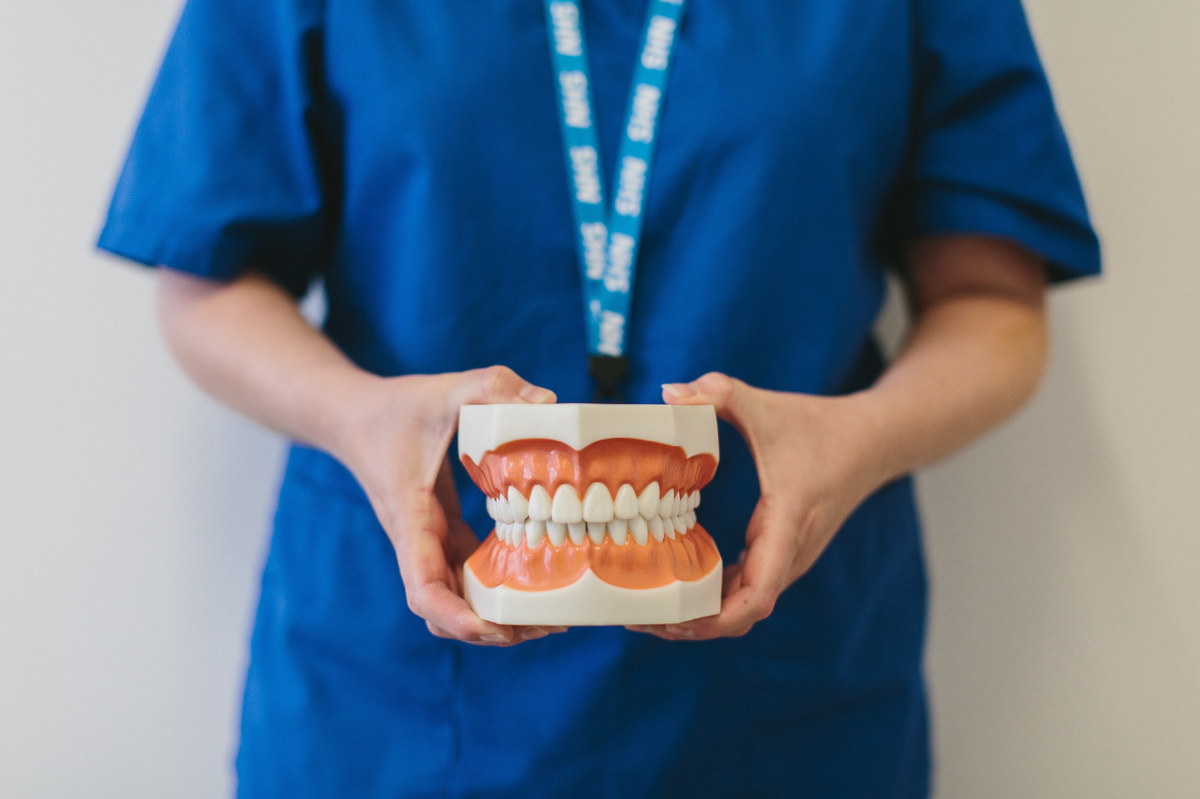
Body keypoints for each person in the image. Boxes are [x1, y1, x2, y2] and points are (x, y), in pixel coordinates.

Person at [99, 0, 1099, 795]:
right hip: (389, 702)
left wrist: (858, 436)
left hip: (785, 694)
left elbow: (993, 304)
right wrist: (355, 416)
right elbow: (210, 280)